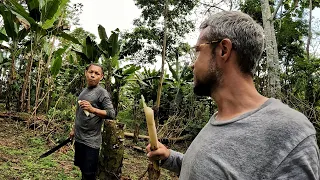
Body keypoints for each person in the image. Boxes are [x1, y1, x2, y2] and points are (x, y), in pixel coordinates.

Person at [146, 11, 320, 179]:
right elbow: (208, 171)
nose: (193, 64)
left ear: (223, 50)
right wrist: (170, 157)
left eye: (198, 51)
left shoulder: (290, 131)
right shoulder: (220, 118)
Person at [69, 63, 115, 180]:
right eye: (91, 72)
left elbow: (111, 113)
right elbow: (79, 112)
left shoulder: (102, 93)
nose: (93, 75)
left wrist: (93, 109)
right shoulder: (83, 91)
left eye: (97, 73)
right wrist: (74, 129)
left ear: (101, 76)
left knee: (89, 174)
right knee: (82, 169)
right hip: (80, 138)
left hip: (91, 142)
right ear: (86, 73)